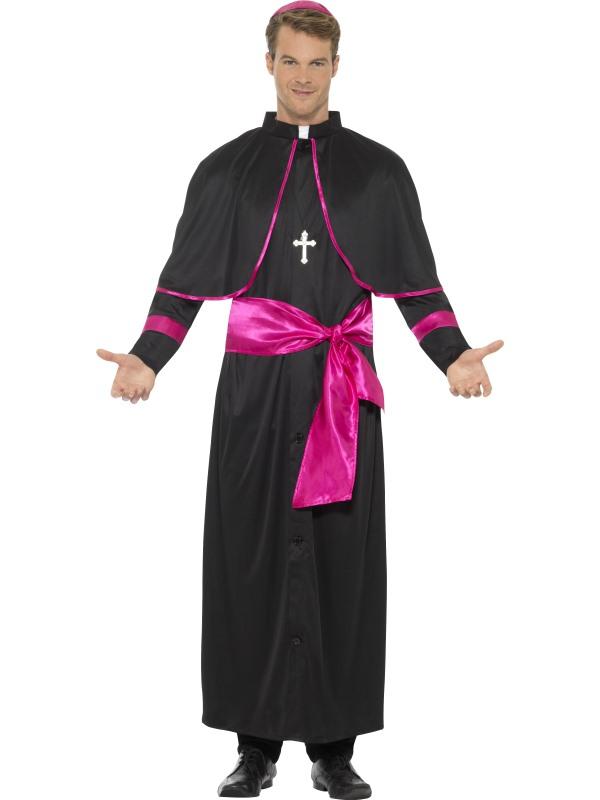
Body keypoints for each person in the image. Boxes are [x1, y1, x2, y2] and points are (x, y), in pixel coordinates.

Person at [97, 2, 503, 797]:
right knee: (247, 559)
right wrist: (147, 357)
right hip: (253, 395)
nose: (304, 77)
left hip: (342, 393)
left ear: (336, 67)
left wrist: (452, 355)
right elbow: (183, 282)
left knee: (342, 562)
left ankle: (334, 751)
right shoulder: (227, 171)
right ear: (270, 64)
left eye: (318, 63)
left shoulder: (379, 172)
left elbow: (416, 283)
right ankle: (254, 750)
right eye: (291, 61)